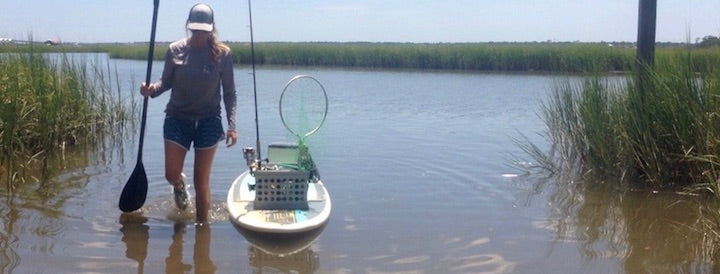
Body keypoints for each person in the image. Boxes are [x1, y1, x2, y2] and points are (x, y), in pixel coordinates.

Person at [140, 3, 237, 224]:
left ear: (211, 28)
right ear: (189, 27)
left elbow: (230, 93)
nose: (199, 34)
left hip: (209, 121)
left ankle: (202, 232)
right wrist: (150, 90)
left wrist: (232, 126)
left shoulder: (223, 54)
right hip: (177, 118)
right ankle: (179, 185)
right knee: (170, 173)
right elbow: (165, 83)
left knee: (202, 181)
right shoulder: (175, 50)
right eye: (196, 29)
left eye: (204, 29)